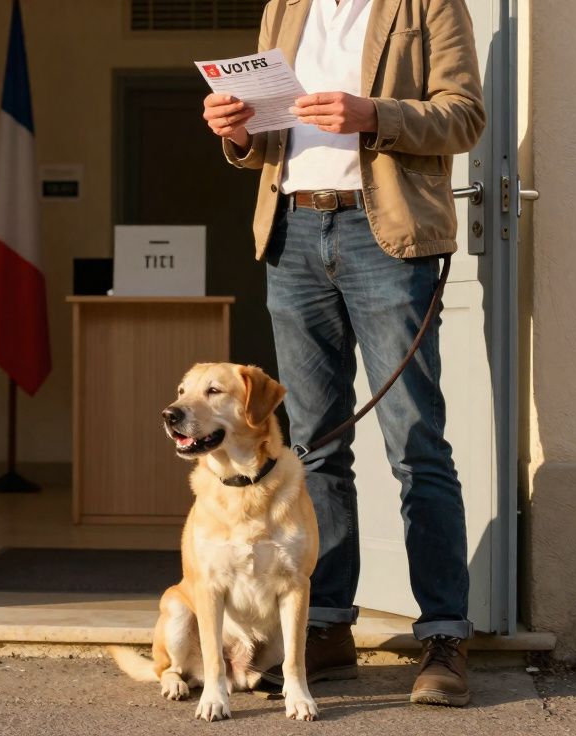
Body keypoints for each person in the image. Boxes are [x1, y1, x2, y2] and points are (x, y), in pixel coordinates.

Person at [202, 0, 485, 707]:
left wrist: (375, 115)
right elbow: (266, 138)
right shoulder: (283, 8)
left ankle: (443, 637)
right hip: (293, 236)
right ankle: (326, 627)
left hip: (382, 235)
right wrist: (235, 133)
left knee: (416, 444)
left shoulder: (427, 5)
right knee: (315, 445)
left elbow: (464, 115)